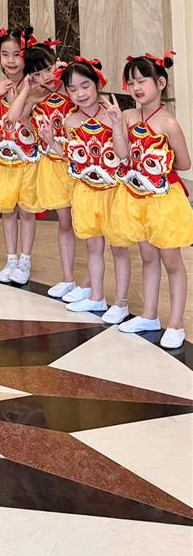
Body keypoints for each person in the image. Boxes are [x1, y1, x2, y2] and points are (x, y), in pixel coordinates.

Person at [110, 53, 192, 349]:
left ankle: (176, 323)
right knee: (147, 256)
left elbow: (184, 163)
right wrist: (116, 126)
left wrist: (159, 166)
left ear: (160, 83)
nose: (135, 87)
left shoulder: (168, 123)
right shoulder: (128, 116)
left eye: (142, 81)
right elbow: (121, 155)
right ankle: (149, 315)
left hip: (163, 200)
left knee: (171, 260)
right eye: (131, 82)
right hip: (136, 197)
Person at [52, 57, 132, 320]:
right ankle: (97, 297)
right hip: (86, 191)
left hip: (114, 192)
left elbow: (123, 155)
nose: (80, 94)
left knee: (118, 247)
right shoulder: (71, 121)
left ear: (98, 84)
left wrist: (117, 125)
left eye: (85, 86)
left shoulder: (113, 115)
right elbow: (71, 158)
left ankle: (121, 302)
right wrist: (51, 143)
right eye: (72, 89)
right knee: (93, 246)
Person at [6, 39, 77, 294]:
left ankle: (92, 286)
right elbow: (12, 117)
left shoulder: (70, 85)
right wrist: (27, 89)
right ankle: (68, 278)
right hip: (53, 166)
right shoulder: (35, 94)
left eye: (48, 69)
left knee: (86, 225)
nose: (46, 76)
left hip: (77, 162)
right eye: (37, 73)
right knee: (65, 222)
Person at [0, 29, 40, 284]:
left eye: (17, 54)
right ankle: (11, 258)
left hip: (26, 157)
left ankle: (25, 259)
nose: (11, 60)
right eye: (5, 54)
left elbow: (30, 124)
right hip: (2, 158)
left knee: (26, 211)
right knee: (7, 211)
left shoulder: (34, 87)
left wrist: (22, 96)